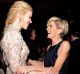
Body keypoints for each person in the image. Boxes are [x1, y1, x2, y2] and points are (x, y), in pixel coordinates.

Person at [1, 1, 33, 74]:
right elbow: (16, 70)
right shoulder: (14, 34)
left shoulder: (12, 31)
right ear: (20, 15)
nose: (31, 21)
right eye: (29, 17)